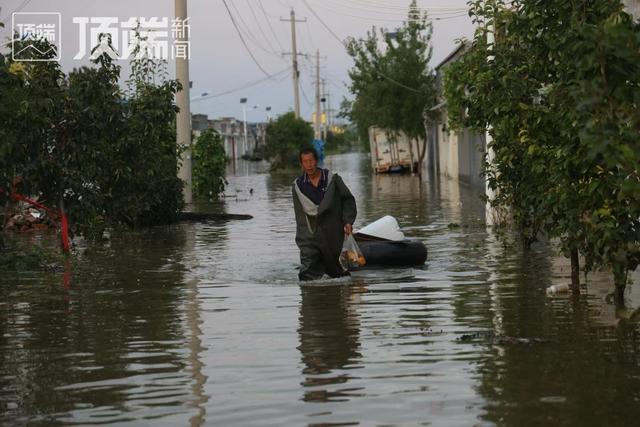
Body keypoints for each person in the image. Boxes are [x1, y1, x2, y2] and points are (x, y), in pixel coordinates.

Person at [292, 147, 357, 281]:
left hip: (333, 234)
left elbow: (348, 200)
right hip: (310, 237)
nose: (309, 165)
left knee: (337, 273)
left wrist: (348, 221)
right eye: (305, 162)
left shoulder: (332, 180)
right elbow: (300, 217)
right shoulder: (298, 186)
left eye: (311, 161)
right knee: (308, 274)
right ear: (301, 164)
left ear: (316, 161)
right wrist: (304, 239)